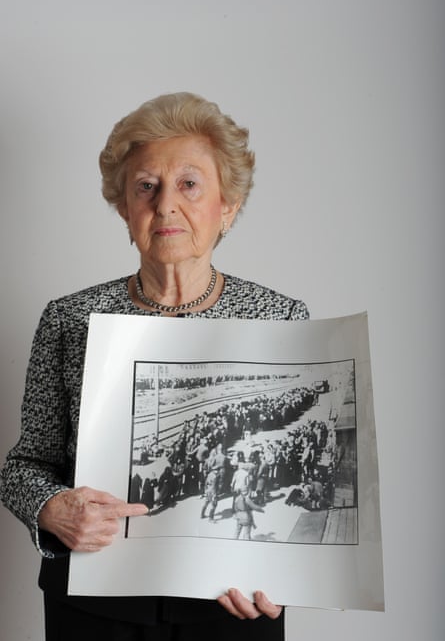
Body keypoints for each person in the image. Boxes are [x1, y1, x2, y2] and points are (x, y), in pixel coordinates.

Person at [0, 92, 309, 640]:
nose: (166, 205)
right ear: (124, 206)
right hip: (95, 605)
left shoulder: (282, 318)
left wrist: (292, 570)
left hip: (232, 603)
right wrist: (51, 509)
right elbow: (24, 466)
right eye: (146, 186)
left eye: (190, 184)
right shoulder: (71, 319)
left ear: (228, 205)